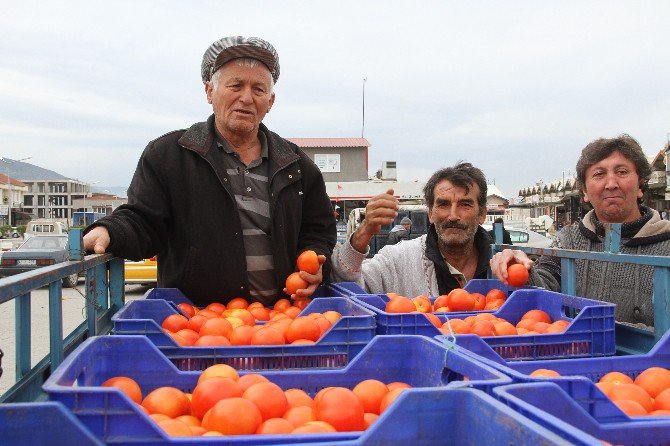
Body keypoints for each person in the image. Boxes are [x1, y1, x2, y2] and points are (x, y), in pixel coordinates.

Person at [83, 36, 336, 306]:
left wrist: (314, 258)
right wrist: (110, 231)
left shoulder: (296, 164)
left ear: (270, 101)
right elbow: (144, 220)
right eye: (236, 85)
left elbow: (318, 230)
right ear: (209, 92)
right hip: (196, 324)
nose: (247, 98)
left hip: (281, 322)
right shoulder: (169, 156)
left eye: (258, 89)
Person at [490, 134, 670, 327]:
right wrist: (519, 267)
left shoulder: (665, 244)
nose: (611, 184)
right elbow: (543, 285)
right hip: (576, 353)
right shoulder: (569, 240)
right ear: (584, 191)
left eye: (622, 172)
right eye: (599, 174)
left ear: (641, 185)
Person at [331, 162, 492, 297]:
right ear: (430, 213)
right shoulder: (397, 261)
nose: (453, 216)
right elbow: (345, 286)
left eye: (465, 205)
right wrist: (363, 233)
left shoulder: (501, 267)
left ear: (482, 214)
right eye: (443, 205)